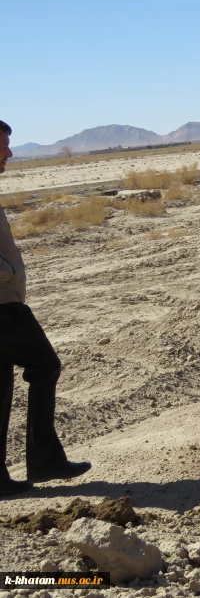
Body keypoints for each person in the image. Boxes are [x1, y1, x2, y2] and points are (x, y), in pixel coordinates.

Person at [0, 120, 91, 497]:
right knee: (46, 365)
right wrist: (7, 273)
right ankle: (44, 460)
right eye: (2, 145)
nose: (9, 152)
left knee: (0, 388)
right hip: (2, 305)